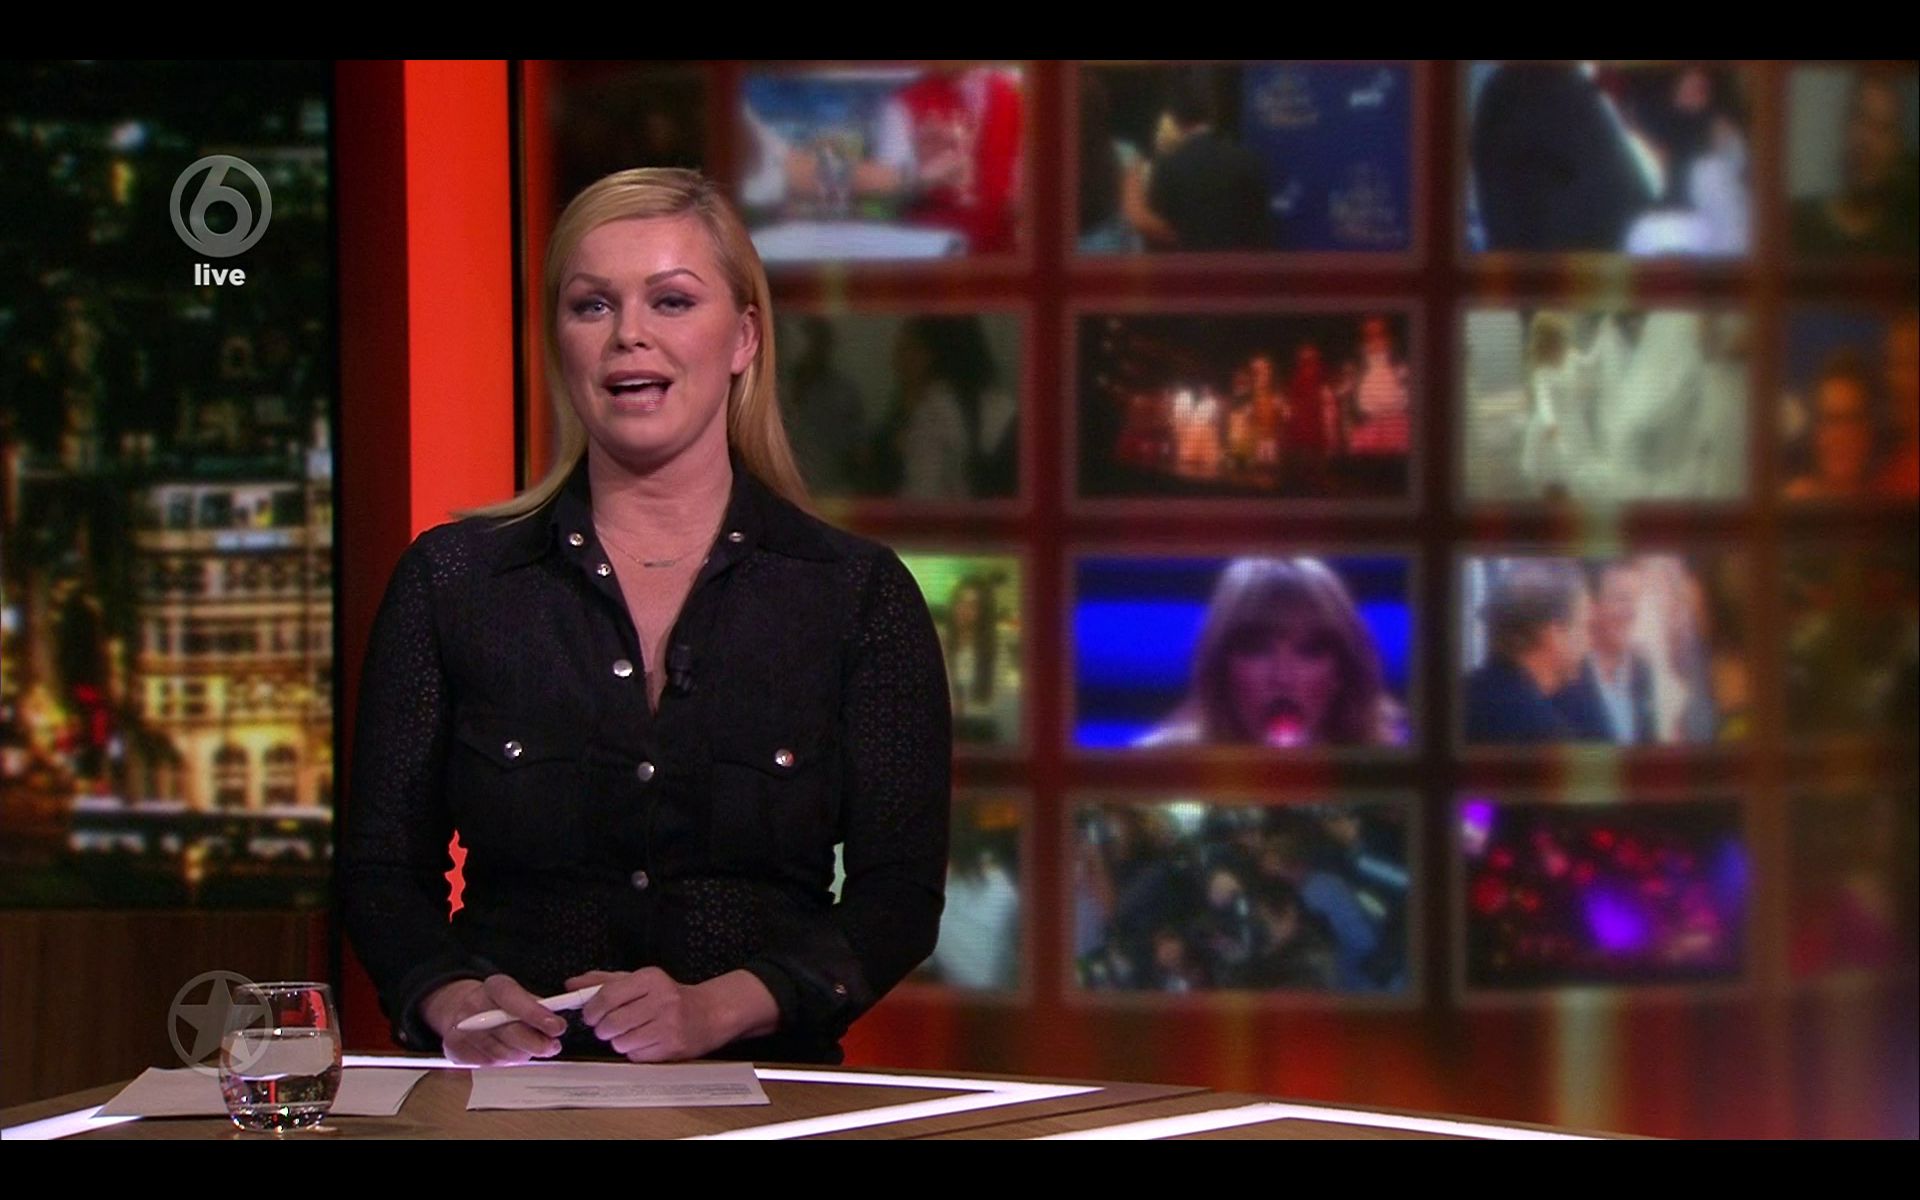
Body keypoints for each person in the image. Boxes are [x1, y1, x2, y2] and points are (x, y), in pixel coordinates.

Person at [339, 168, 953, 1068]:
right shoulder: (454, 582)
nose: (629, 334)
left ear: (744, 337)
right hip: (511, 1097)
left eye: (671, 301)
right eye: (592, 306)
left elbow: (897, 897)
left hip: (764, 1097)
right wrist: (450, 996)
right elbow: (382, 872)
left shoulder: (854, 594)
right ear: (560, 341)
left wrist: (718, 1010)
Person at [1136, 557, 1406, 748]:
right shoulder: (1157, 773)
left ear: (1342, 672)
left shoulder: (1392, 775)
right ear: (1221, 667)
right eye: (1257, 649)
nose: (1283, 678)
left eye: (1309, 651)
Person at [1791, 70, 1919, 258]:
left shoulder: (1908, 235)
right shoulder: (1796, 223)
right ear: (1845, 126)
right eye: (1862, 120)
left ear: (1897, 146)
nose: (1868, 141)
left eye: (1883, 128)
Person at [1462, 560, 1589, 744]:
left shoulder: (1459, 695)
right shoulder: (1544, 736)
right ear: (1554, 634)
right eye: (1584, 626)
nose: (1588, 643)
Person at [1554, 560, 1657, 744]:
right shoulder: (1565, 674)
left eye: (1637, 599)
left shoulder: (1643, 669)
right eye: (1621, 599)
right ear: (1591, 606)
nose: (1633, 611)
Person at [1785, 354, 1877, 500]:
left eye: (1851, 420)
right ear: (1815, 431)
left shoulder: (1894, 500)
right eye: (1829, 420)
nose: (1840, 435)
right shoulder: (1791, 503)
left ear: (1868, 430)